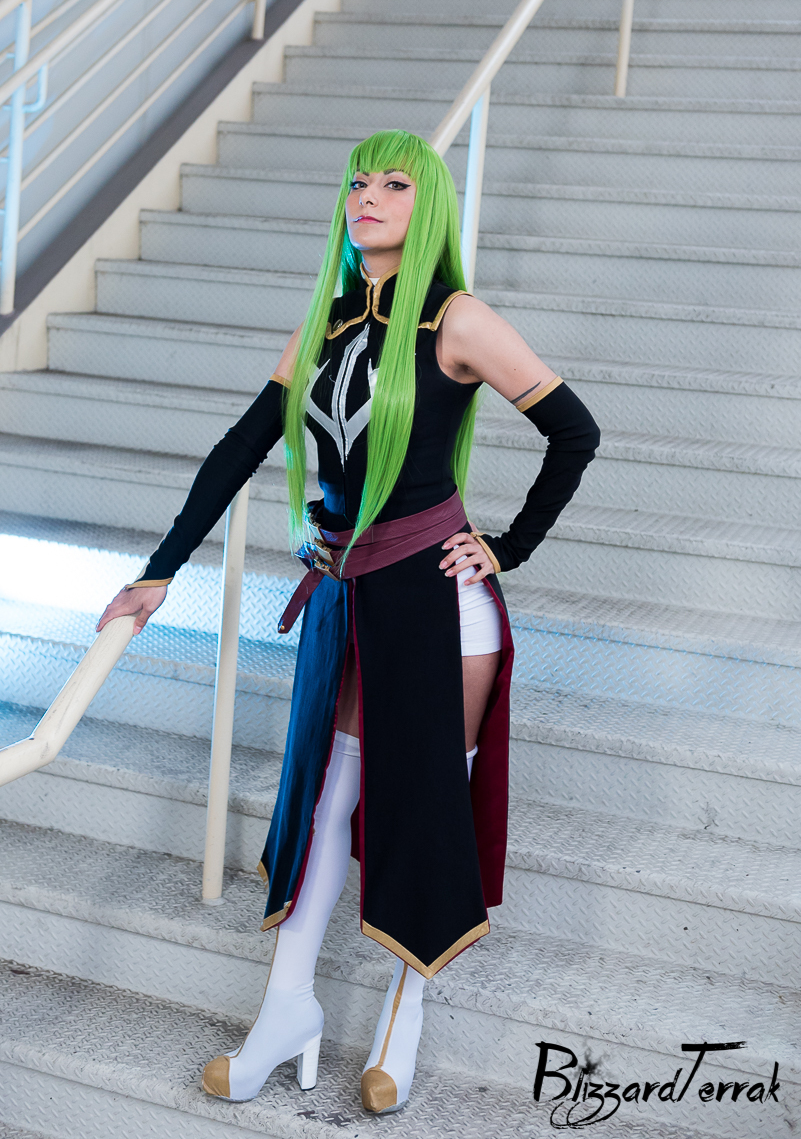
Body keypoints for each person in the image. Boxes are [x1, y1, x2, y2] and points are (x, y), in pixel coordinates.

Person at [97, 129, 600, 1114]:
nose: (367, 195)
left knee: (424, 808)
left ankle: (402, 1022)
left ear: (429, 205)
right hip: (348, 597)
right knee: (326, 800)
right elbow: (242, 446)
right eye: (358, 181)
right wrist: (159, 571)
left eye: (394, 183)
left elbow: (573, 431)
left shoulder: (457, 320)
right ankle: (286, 1008)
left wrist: (508, 546)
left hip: (439, 608)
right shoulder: (324, 323)